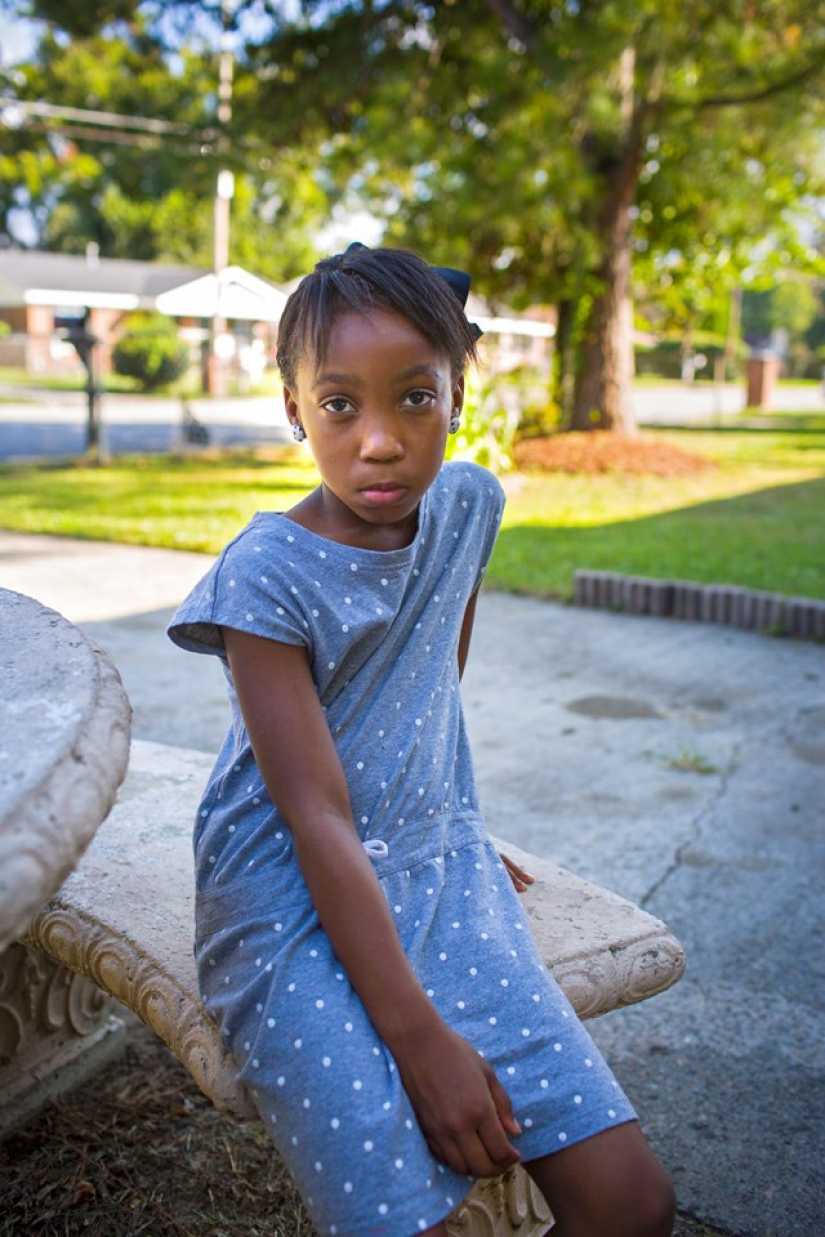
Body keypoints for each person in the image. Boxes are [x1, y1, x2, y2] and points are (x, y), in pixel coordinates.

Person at [168, 245, 675, 1237]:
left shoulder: (468, 508)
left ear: (457, 393)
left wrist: (444, 818)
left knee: (633, 1205)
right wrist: (420, 1041)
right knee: (410, 1221)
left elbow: (432, 680)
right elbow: (314, 816)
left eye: (414, 398)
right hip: (283, 893)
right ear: (294, 409)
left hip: (432, 870)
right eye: (339, 404)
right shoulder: (264, 574)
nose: (381, 442)